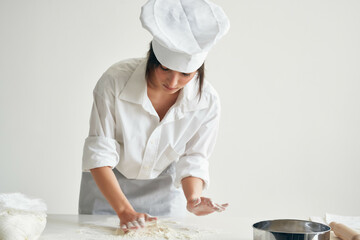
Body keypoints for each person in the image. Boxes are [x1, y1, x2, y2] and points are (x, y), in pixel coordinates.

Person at [79, 0, 230, 233]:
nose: (173, 82)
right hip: (108, 190)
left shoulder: (207, 101)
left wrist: (193, 199)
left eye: (185, 74)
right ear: (152, 57)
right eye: (165, 68)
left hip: (164, 192)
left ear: (198, 70)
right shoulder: (114, 82)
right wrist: (123, 211)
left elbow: (194, 158)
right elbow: (99, 154)